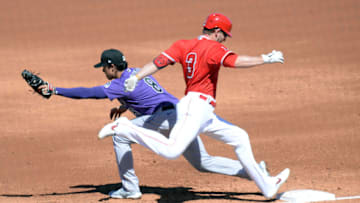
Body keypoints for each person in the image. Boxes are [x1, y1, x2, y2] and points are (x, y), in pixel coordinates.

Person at [99, 13, 290, 199]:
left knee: (239, 137)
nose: (224, 40)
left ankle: (267, 186)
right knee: (172, 150)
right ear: (216, 31)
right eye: (224, 35)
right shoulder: (214, 48)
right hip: (195, 106)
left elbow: (158, 62)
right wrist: (265, 58)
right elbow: (235, 61)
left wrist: (136, 77)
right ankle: (125, 128)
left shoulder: (183, 45)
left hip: (204, 111)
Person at [39, 48, 269, 199]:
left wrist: (54, 90)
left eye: (104, 68)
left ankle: (130, 189)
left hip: (163, 119)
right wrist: (124, 107)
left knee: (120, 135)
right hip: (180, 114)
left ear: (111, 67)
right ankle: (255, 172)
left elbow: (88, 93)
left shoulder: (118, 84)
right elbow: (145, 94)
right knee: (203, 162)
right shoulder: (137, 72)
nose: (104, 72)